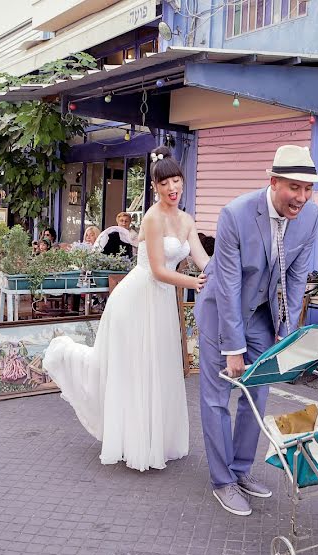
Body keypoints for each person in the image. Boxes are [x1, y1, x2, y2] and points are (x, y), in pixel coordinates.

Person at [43, 146, 209, 470]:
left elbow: (202, 259)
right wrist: (195, 284)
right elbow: (159, 269)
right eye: (165, 183)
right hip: (136, 299)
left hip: (160, 304)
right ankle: (65, 356)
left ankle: (154, 441)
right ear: (155, 187)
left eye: (177, 181)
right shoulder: (151, 218)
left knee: (158, 369)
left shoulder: (186, 220)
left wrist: (224, 271)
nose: (172, 188)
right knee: (133, 370)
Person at [194, 145, 318, 516]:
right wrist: (232, 347)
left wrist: (287, 335)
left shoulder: (310, 217)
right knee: (218, 398)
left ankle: (240, 469)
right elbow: (229, 285)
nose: (301, 197)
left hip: (263, 315)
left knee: (258, 393)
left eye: (308, 189)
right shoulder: (235, 214)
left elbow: (297, 278)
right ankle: (222, 481)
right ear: (274, 182)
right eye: (294, 188)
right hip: (223, 313)